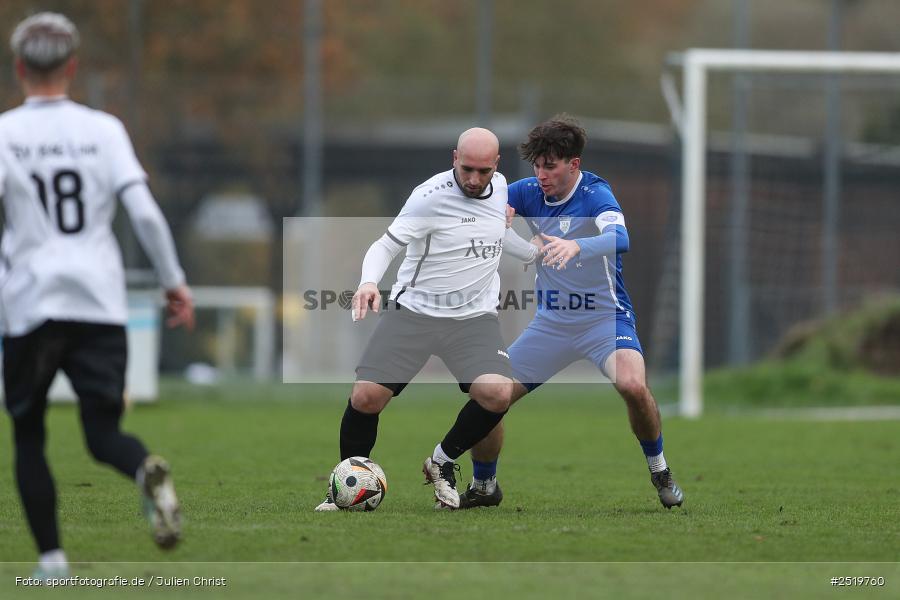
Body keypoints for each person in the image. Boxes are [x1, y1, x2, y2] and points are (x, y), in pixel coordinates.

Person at [0, 13, 195, 578]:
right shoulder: (104, 129)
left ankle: (53, 561)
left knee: (29, 432)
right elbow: (143, 214)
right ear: (73, 66)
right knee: (104, 434)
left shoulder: (6, 132)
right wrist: (173, 281)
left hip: (30, 303)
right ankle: (142, 470)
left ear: (19, 68)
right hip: (98, 303)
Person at [459, 115, 684, 510]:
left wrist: (578, 246)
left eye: (551, 166)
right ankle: (484, 486)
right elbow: (485, 206)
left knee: (632, 386)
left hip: (604, 318)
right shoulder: (527, 191)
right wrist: (500, 218)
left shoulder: (596, 193)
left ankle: (660, 468)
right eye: (537, 166)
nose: (541, 175)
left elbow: (620, 237)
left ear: (573, 164)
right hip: (552, 324)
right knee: (488, 396)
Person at [315, 127, 537, 511]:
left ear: (495, 167)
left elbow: (497, 236)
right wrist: (369, 282)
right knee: (366, 397)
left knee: (497, 393)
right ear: (454, 158)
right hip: (414, 313)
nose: (473, 179)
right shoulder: (428, 197)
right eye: (466, 168)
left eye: (483, 171)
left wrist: (532, 253)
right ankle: (343, 491)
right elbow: (386, 244)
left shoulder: (501, 188)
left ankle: (441, 461)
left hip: (474, 319)